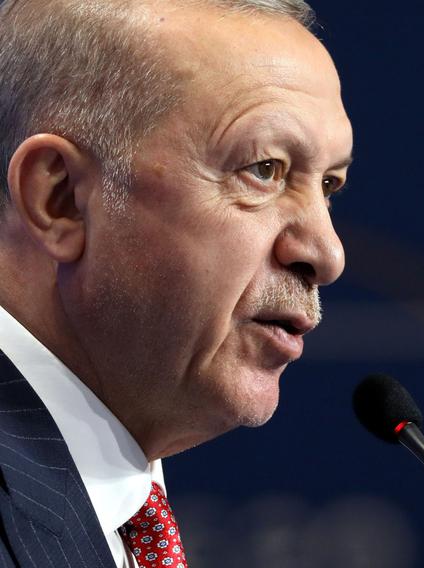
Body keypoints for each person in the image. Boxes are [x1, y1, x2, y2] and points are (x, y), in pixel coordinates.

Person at [0, 0, 352, 566]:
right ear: (60, 199)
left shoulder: (114, 511)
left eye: (330, 184)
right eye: (264, 169)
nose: (327, 253)